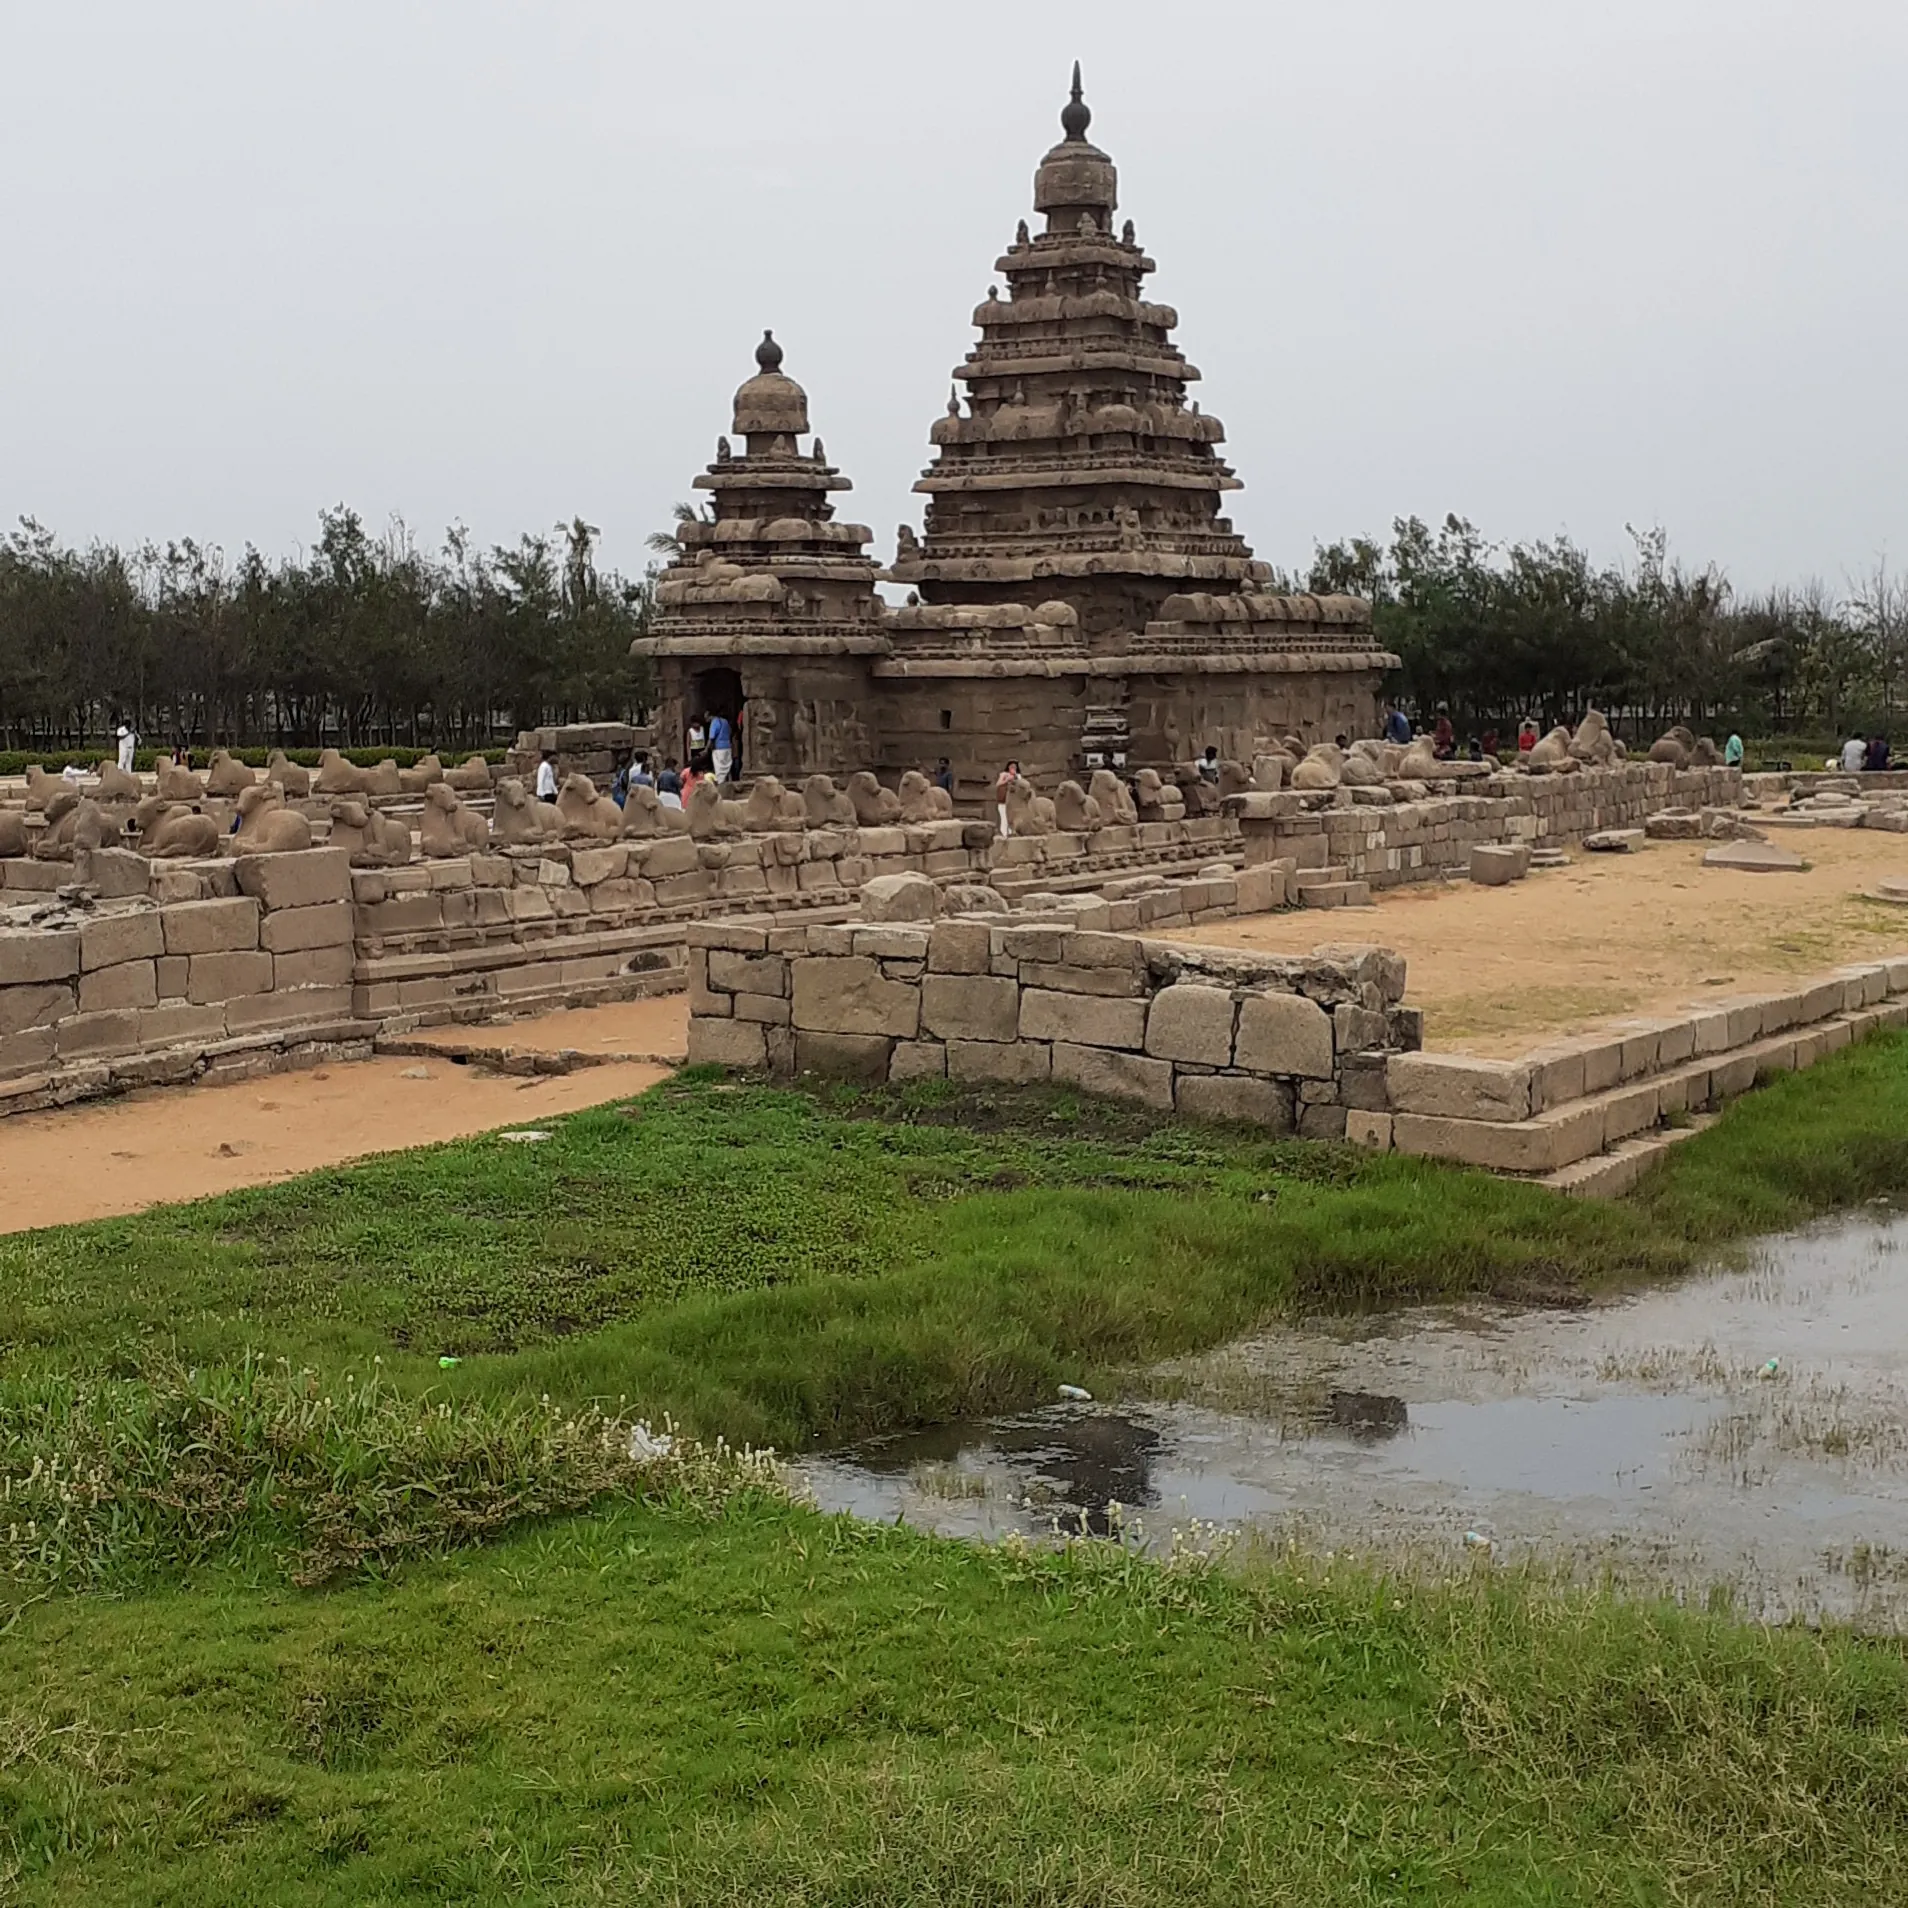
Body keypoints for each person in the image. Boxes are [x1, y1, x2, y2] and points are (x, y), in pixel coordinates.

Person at [708, 710, 735, 784]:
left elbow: (712, 737)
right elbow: (730, 732)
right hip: (727, 747)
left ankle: (721, 784)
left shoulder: (715, 722)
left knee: (719, 768)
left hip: (719, 748)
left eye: (706, 717)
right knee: (727, 766)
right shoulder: (725, 721)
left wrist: (707, 748)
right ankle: (729, 782)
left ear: (711, 716)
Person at [994, 760, 1019, 838]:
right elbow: (998, 784)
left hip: (1013, 802)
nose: (1013, 768)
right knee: (1004, 817)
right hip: (1003, 801)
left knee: (1012, 818)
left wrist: (1015, 778)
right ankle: (1004, 834)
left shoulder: (1018, 776)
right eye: (1011, 766)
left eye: (1015, 767)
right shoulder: (1004, 774)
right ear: (1008, 767)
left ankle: (1012, 832)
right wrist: (1006, 780)